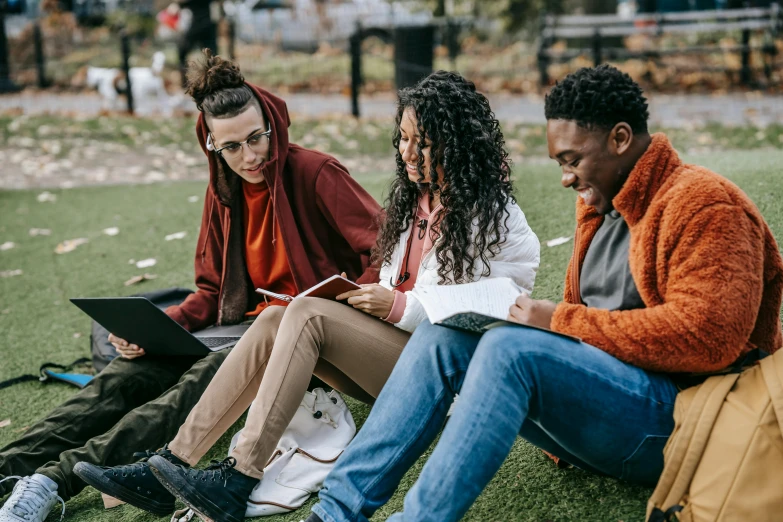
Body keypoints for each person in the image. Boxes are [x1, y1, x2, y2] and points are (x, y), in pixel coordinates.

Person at [301, 64, 783, 522]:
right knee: (443, 338)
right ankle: (334, 511)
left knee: (512, 350)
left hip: (684, 425)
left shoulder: (705, 205)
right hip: (608, 413)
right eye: (560, 162)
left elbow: (709, 339)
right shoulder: (600, 204)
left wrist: (556, 322)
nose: (565, 178)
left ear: (619, 139)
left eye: (573, 160)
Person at [73, 70, 541, 522]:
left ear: (457, 143)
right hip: (399, 358)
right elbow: (392, 276)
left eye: (424, 142)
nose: (409, 152)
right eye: (402, 138)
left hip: (448, 381)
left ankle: (237, 479)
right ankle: (175, 462)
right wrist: (369, 295)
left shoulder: (492, 214)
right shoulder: (415, 199)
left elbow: (496, 304)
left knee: (307, 314)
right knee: (275, 319)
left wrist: (397, 306)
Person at [0, 51, 382, 521]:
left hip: (296, 338)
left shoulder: (317, 173)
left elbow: (384, 253)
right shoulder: (223, 193)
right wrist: (160, 328)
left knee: (189, 388)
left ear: (272, 124)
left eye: (257, 137)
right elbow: (208, 291)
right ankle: (7, 467)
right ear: (212, 147)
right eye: (233, 147)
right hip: (234, 328)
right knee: (123, 378)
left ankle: (50, 481)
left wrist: (342, 301)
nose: (251, 155)